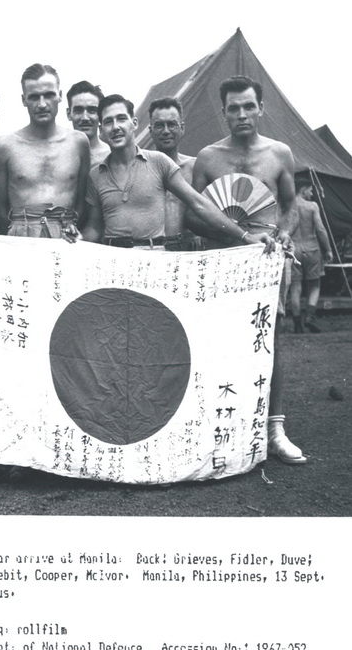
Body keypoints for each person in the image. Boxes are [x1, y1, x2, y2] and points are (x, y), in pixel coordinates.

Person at [192, 75, 305, 464]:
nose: (241, 114)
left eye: (248, 106)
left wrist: (284, 235)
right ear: (223, 112)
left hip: (264, 260)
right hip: (222, 258)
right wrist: (235, 234)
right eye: (233, 108)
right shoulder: (208, 157)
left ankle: (275, 429)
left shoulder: (279, 154)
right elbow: (196, 213)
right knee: (218, 343)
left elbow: (290, 206)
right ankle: (222, 429)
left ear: (261, 108)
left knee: (267, 340)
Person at [82, 94, 275, 252]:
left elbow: (198, 204)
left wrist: (246, 236)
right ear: (101, 131)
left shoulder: (158, 162)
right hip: (113, 261)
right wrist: (69, 244)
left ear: (134, 123)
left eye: (121, 119)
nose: (116, 127)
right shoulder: (96, 175)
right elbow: (94, 227)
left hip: (155, 259)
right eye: (108, 122)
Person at [0, 63, 90, 238]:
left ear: (59, 96)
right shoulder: (4, 146)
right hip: (20, 238)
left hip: (67, 236)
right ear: (23, 100)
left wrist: (67, 226)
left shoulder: (78, 142)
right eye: (34, 97)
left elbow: (81, 203)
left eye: (49, 95)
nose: (42, 104)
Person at [148, 96, 202, 249]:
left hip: (190, 250)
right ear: (150, 130)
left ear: (182, 128)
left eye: (171, 124)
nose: (166, 131)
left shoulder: (195, 167)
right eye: (159, 125)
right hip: (153, 250)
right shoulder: (141, 169)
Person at [290, 178, 333, 333]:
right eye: (310, 190)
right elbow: (320, 229)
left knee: (295, 287)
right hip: (312, 248)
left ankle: (296, 322)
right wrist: (328, 249)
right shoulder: (312, 206)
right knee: (314, 284)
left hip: (293, 249)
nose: (312, 193)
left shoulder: (287, 206)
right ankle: (309, 317)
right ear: (303, 190)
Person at [67, 80, 109, 167]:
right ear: (69, 114)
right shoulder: (59, 157)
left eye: (92, 110)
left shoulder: (112, 156)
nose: (85, 118)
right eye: (78, 110)